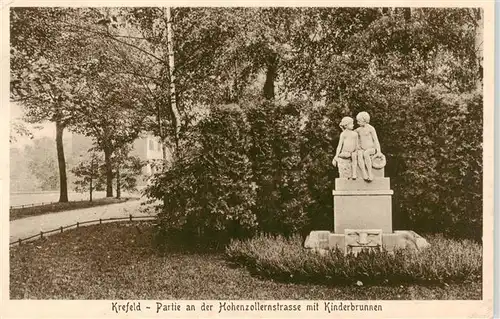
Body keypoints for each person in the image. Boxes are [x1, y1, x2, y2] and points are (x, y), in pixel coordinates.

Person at [355, 111, 381, 181]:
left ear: (364, 120)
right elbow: (350, 133)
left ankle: (370, 173)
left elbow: (376, 140)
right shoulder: (358, 130)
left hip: (371, 149)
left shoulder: (371, 129)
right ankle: (364, 173)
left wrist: (379, 151)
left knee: (366, 153)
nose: (358, 123)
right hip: (363, 149)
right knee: (360, 154)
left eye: (359, 121)